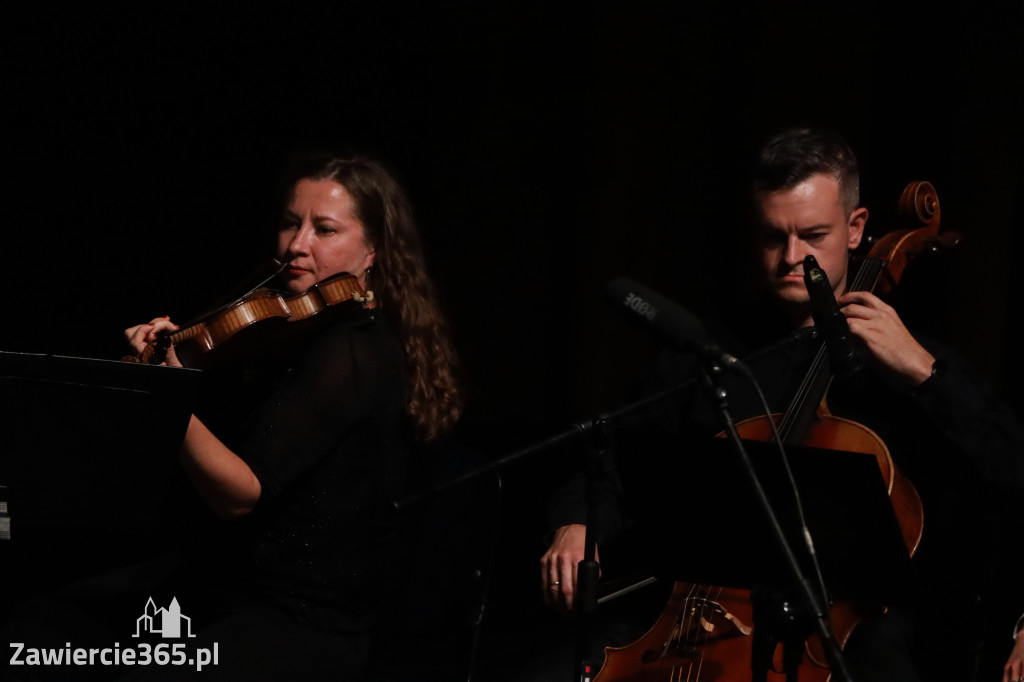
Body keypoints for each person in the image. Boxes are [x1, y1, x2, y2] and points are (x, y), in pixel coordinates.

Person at [537, 128, 1024, 681]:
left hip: (849, 640)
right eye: (774, 237)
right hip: (690, 623)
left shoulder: (914, 364)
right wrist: (577, 523)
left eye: (813, 235)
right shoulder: (708, 355)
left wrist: (925, 375)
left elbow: (1010, 466)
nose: (791, 258)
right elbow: (610, 457)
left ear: (858, 228)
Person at [3, 153, 461, 681]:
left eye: (325, 229)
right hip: (223, 583)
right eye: (291, 223)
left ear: (375, 249)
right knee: (37, 631)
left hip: (296, 618)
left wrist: (167, 392)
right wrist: (155, 368)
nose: (296, 245)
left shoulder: (353, 350)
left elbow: (239, 494)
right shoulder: (285, 335)